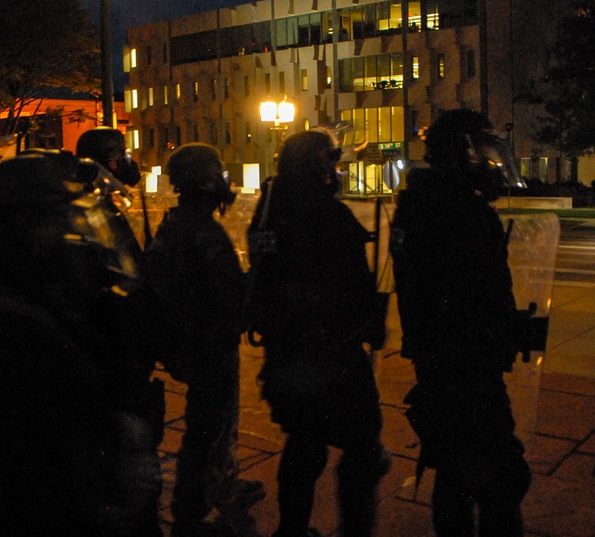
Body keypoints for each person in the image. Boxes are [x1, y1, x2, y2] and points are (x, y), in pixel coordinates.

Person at [0, 154, 162, 536]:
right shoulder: (1, 330)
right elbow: (46, 479)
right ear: (18, 230)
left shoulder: (26, 302)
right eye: (58, 220)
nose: (73, 233)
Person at [389, 109, 531, 537]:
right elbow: (477, 293)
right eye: (481, 153)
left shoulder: (417, 204)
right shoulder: (461, 212)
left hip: (436, 359)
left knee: (452, 467)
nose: (489, 164)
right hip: (468, 361)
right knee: (501, 475)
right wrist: (504, 331)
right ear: (461, 153)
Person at [247, 129, 388, 537]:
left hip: (285, 350)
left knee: (304, 442)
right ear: (315, 163)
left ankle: (291, 529)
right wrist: (368, 322)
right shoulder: (326, 212)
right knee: (364, 444)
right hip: (331, 351)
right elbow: (353, 284)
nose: (336, 168)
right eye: (331, 159)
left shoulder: (271, 207)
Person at [144, 143, 264, 537]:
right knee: (209, 425)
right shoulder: (202, 232)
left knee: (215, 423)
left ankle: (221, 485)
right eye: (218, 174)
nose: (224, 182)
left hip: (195, 345)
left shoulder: (176, 224)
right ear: (206, 181)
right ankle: (191, 509)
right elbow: (227, 294)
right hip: (209, 347)